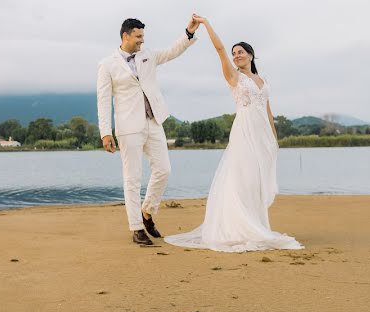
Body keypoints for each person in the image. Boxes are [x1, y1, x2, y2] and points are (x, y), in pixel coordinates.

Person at [164, 15, 303, 252]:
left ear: (250, 55)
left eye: (240, 52)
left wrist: (274, 138)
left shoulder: (262, 79)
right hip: (244, 131)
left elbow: (268, 111)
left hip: (262, 136)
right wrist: (206, 24)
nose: (236, 55)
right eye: (234, 53)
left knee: (256, 181)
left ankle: (256, 223)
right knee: (243, 176)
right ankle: (239, 226)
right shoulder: (233, 76)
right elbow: (219, 48)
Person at [96, 16, 199, 245]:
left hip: (154, 122)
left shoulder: (148, 56)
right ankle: (137, 229)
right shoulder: (107, 65)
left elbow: (172, 51)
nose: (142, 40)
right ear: (126, 36)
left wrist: (188, 33)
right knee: (132, 178)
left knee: (164, 169)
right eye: (138, 36)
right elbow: (103, 100)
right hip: (127, 127)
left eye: (143, 36)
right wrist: (105, 132)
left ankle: (147, 212)